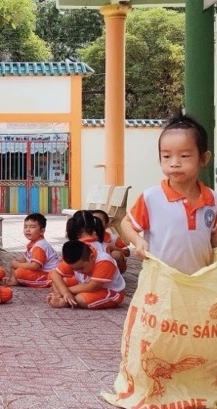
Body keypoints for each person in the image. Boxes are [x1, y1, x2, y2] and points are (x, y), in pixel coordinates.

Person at [119, 114, 217, 275]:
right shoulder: (151, 197)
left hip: (199, 280)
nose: (174, 163)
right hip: (161, 280)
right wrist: (138, 241)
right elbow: (127, 223)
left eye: (184, 156)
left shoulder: (212, 199)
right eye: (166, 156)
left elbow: (213, 236)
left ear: (204, 158)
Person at [47, 240, 126, 309]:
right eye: (74, 269)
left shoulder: (104, 261)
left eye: (81, 268)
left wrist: (65, 291)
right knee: (59, 281)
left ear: (91, 257)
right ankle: (60, 297)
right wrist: (64, 292)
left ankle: (64, 302)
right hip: (83, 284)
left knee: (81, 299)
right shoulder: (73, 258)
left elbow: (93, 286)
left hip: (111, 292)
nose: (78, 271)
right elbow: (54, 274)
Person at [5, 212, 59, 287]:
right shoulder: (32, 244)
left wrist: (18, 265)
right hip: (40, 271)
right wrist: (16, 262)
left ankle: (48, 282)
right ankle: (14, 280)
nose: (27, 230)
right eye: (25, 227)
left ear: (42, 231)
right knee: (16, 263)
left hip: (47, 274)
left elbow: (34, 266)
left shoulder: (39, 247)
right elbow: (24, 257)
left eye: (32, 227)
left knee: (19, 273)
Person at [91, 209, 130, 273]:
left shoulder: (113, 238)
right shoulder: (85, 236)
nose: (96, 223)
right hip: (93, 265)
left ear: (106, 225)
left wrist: (113, 248)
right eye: (93, 221)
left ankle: (116, 276)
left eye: (99, 221)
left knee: (117, 255)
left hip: (110, 265)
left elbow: (127, 253)